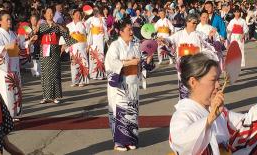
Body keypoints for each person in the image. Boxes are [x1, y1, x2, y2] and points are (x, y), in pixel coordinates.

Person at [169, 53, 257, 154]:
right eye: (213, 80)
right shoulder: (182, 115)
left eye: (218, 79)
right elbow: (182, 143)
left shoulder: (219, 112)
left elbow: (245, 124)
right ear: (193, 82)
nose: (218, 85)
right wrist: (210, 118)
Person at [105, 19, 155, 151]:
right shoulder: (115, 45)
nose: (132, 32)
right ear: (121, 32)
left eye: (132, 29)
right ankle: (119, 142)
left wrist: (149, 56)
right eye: (129, 30)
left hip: (132, 83)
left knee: (131, 111)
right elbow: (111, 63)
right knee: (120, 111)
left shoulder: (136, 45)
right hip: (120, 83)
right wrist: (129, 62)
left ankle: (130, 140)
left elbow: (143, 62)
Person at [158, 13, 219, 100]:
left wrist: (210, 37)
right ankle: (184, 107)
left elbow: (208, 44)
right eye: (193, 22)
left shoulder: (200, 35)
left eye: (196, 23)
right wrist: (164, 40)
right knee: (183, 89)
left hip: (196, 65)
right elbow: (170, 40)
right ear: (187, 22)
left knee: (196, 89)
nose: (195, 25)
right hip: (183, 65)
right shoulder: (179, 34)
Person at [0, 10, 33, 120]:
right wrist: (6, 47)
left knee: (16, 90)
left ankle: (16, 113)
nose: (9, 21)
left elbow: (20, 44)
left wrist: (30, 42)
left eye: (10, 19)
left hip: (14, 63)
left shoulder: (13, 33)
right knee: (7, 91)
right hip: (5, 67)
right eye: (7, 19)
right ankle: (8, 115)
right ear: (0, 21)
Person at [38, 7, 76, 104]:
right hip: (45, 48)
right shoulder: (42, 25)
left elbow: (66, 34)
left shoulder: (57, 26)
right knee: (45, 72)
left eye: (52, 13)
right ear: (45, 15)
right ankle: (46, 96)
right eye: (48, 13)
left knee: (55, 72)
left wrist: (59, 27)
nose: (50, 14)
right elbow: (34, 35)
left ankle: (55, 96)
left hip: (55, 49)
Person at [66, 9, 90, 87]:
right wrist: (66, 46)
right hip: (73, 46)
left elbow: (89, 35)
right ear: (72, 16)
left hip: (82, 45)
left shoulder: (84, 24)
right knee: (74, 63)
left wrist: (88, 45)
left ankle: (83, 80)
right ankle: (75, 80)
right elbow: (66, 37)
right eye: (76, 14)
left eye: (79, 14)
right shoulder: (69, 25)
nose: (78, 16)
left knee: (83, 62)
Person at [86, 7, 108, 80]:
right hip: (92, 39)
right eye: (94, 11)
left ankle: (101, 74)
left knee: (100, 55)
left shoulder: (102, 19)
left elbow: (105, 29)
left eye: (97, 10)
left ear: (99, 11)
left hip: (100, 38)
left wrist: (102, 22)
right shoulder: (91, 19)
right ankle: (93, 74)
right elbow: (85, 25)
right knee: (93, 55)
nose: (95, 12)